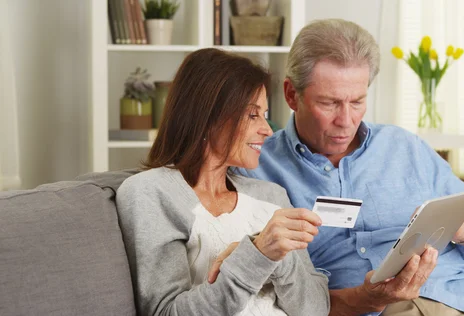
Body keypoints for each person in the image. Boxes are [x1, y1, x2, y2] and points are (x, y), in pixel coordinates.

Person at [233, 19, 464, 315]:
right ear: (292, 95)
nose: (345, 120)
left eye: (357, 101)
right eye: (329, 103)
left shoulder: (404, 147)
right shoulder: (257, 166)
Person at [116, 48, 330, 316]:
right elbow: (167, 312)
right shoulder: (150, 192)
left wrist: (279, 260)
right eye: (253, 115)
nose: (267, 129)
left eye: (264, 114)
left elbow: (316, 310)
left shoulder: (270, 195)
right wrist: (257, 254)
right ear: (207, 116)